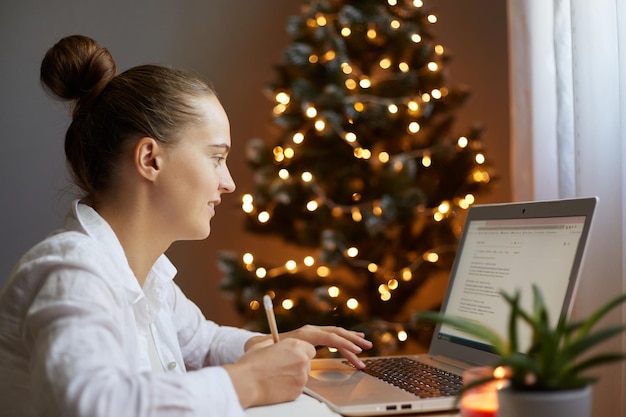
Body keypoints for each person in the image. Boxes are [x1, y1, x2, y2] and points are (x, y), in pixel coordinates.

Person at [0, 35, 372, 417]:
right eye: (216, 157)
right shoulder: (72, 271)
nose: (228, 182)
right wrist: (248, 382)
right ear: (150, 159)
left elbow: (204, 342)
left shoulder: (147, 276)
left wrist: (263, 348)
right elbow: (92, 404)